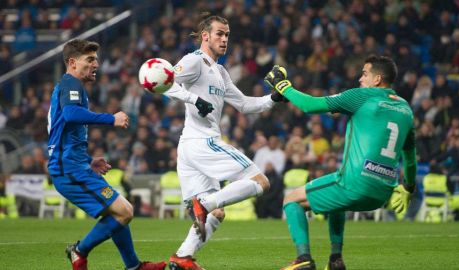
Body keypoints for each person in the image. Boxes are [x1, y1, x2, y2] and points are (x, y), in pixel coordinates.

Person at [264, 55, 417, 270]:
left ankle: (303, 259)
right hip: (382, 192)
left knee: (291, 200)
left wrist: (283, 86)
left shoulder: (362, 96)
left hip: (356, 184)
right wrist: (409, 187)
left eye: (364, 73)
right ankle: (336, 259)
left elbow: (310, 105)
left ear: (377, 79)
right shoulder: (405, 109)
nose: (360, 79)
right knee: (338, 204)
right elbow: (410, 157)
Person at [162, 14, 287, 270]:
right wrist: (194, 100)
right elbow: (165, 83)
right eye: (219, 33)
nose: (224, 39)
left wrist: (273, 98)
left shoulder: (219, 71)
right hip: (202, 142)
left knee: (217, 214)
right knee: (259, 181)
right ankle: (203, 205)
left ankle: (182, 257)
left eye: (227, 34)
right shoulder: (194, 61)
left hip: (190, 147)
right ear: (205, 36)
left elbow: (243, 104)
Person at [47, 39, 166, 270]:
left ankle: (133, 266)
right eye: (90, 59)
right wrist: (111, 119)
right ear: (72, 63)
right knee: (125, 211)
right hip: (69, 170)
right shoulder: (71, 84)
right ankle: (79, 251)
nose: (96, 64)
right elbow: (71, 115)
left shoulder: (70, 86)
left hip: (75, 165)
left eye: (96, 59)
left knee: (118, 210)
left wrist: (88, 160)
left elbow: (62, 130)